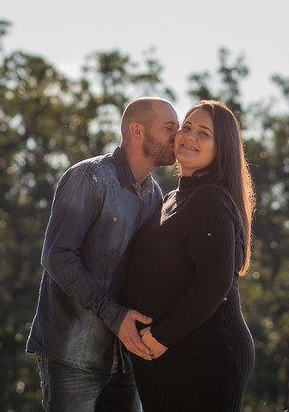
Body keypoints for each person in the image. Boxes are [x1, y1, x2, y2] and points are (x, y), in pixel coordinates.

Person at [26, 97, 180, 412]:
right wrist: (114, 314)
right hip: (71, 355)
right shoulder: (88, 178)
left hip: (125, 360)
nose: (177, 137)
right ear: (137, 131)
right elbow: (57, 255)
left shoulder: (156, 196)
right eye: (169, 128)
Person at [118, 100, 256, 412]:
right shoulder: (171, 198)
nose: (190, 136)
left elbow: (215, 281)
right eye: (187, 127)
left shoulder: (210, 199)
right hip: (166, 356)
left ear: (222, 148)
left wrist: (159, 338)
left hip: (203, 355)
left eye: (204, 133)